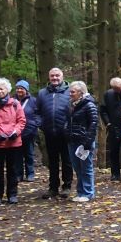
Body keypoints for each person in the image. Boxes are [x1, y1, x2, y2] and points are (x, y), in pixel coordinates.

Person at [35, 67, 72, 199]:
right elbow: (36, 112)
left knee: (67, 160)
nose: (55, 78)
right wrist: (41, 124)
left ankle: (67, 186)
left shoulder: (70, 92)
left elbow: (75, 110)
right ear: (49, 78)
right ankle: (53, 187)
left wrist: (70, 125)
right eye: (52, 76)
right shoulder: (42, 93)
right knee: (52, 161)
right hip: (49, 132)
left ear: (62, 76)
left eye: (57, 75)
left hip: (66, 133)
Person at [65, 81, 98, 202]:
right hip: (72, 140)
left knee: (86, 168)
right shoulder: (71, 105)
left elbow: (93, 124)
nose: (70, 94)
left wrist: (88, 142)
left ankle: (88, 193)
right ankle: (80, 192)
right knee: (77, 168)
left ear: (81, 92)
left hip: (84, 142)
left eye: (72, 92)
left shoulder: (89, 105)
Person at [14, 80, 41, 182]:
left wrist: (36, 124)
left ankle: (30, 174)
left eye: (22, 88)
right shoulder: (12, 101)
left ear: (26, 90)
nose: (19, 90)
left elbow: (38, 113)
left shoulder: (33, 101)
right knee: (17, 154)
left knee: (29, 153)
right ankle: (18, 174)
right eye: (18, 88)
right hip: (15, 132)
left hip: (29, 131)